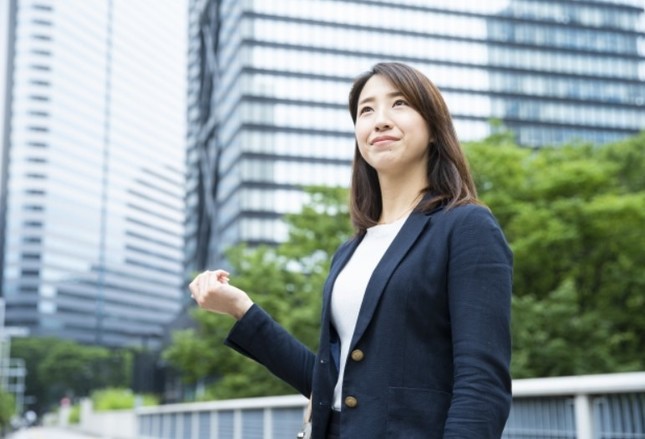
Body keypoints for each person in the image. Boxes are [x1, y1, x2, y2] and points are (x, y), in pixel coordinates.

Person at [189, 62, 513, 438]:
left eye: (400, 104)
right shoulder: (350, 251)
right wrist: (241, 309)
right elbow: (332, 385)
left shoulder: (465, 226)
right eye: (367, 110)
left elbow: (482, 384)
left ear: (434, 130)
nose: (380, 120)